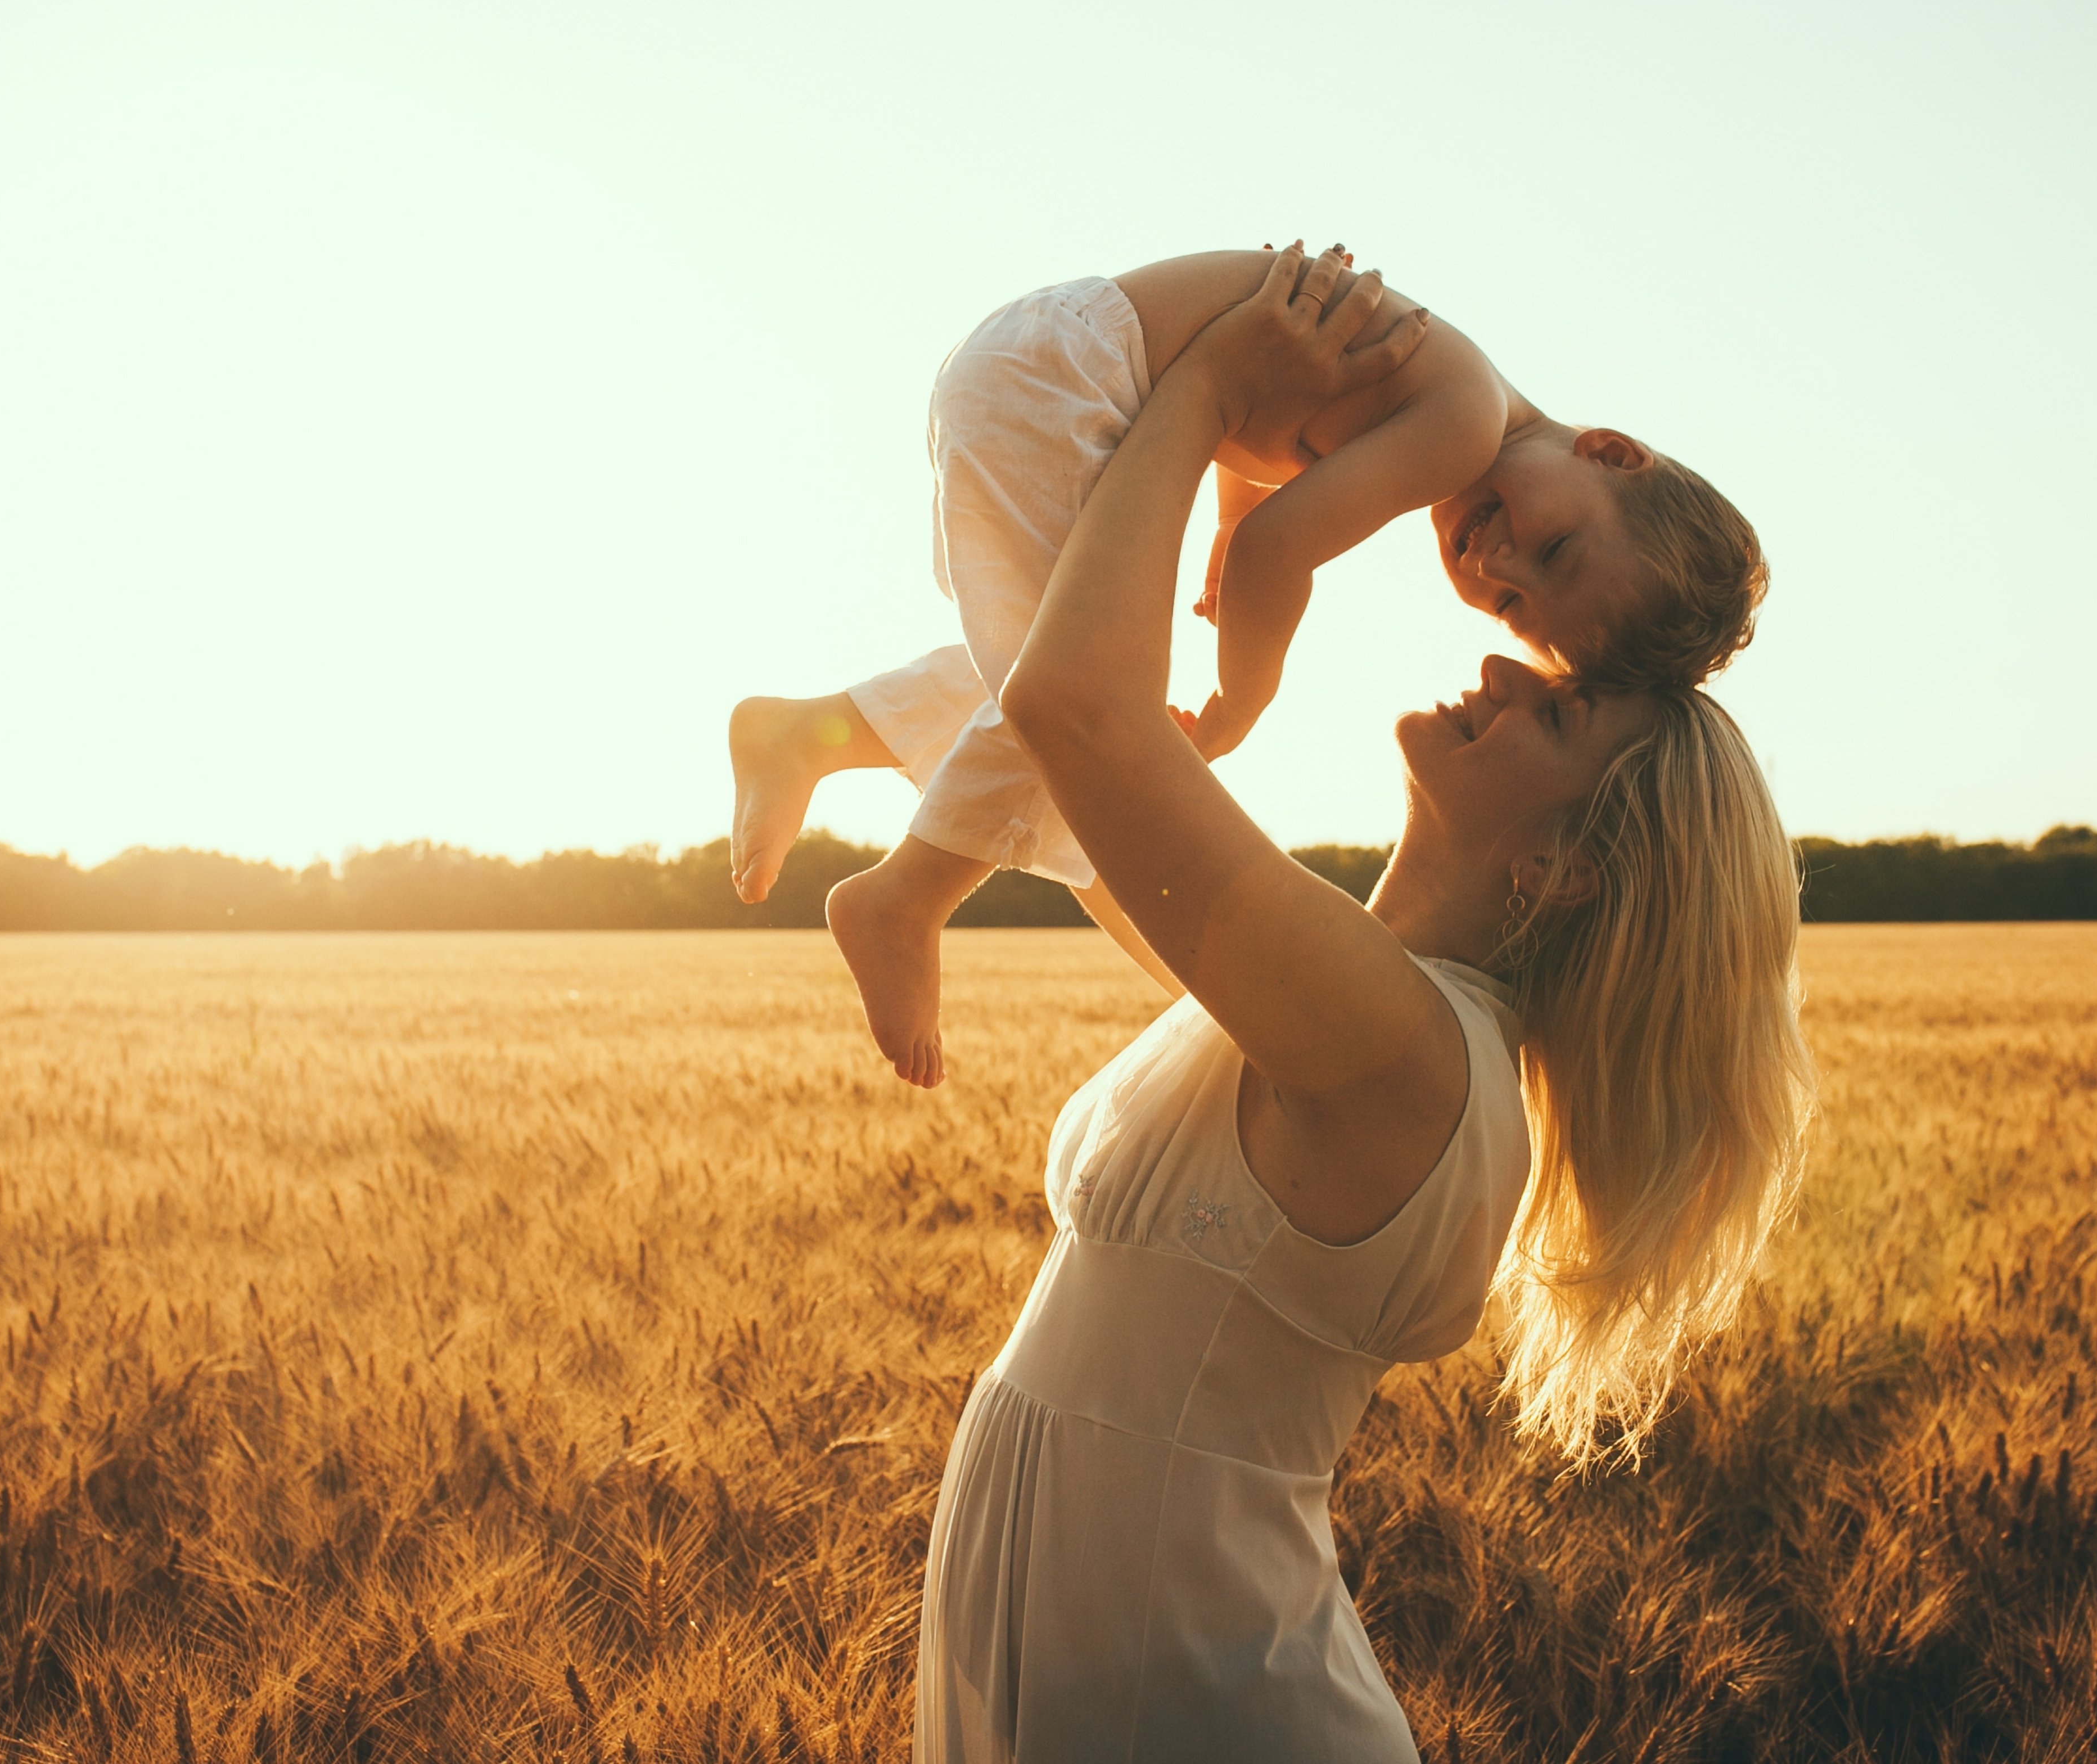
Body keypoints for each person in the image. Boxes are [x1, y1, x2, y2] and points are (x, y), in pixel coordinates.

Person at [912, 247, 1814, 1761]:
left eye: (1561, 702)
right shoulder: (1349, 994)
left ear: (1573, 873)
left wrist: (1205, 385)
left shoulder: (1399, 1047)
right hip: (1098, 1665)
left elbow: (1079, 713)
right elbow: (1072, 810)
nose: (1503, 662)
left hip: (1193, 1701)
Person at [728, 245, 1767, 1086]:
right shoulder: (1461, 429)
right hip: (1067, 385)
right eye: (1556, 550)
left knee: (1049, 670)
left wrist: (1227, 523)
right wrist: (1242, 697)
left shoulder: (1457, 392)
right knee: (1085, 698)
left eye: (1510, 605)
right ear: (1613, 453)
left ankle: (806, 730)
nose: (1497, 561)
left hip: (1047, 362)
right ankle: (906, 896)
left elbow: (1268, 438)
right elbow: (1285, 550)